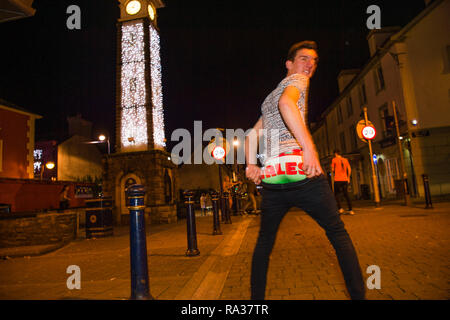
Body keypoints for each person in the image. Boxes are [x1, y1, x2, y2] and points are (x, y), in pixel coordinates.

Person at [245, 41, 365, 300]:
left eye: (313, 61)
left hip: (273, 179)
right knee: (337, 233)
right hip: (301, 172)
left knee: (264, 244)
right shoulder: (298, 81)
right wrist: (308, 147)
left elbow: (250, 136)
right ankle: (359, 296)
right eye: (303, 58)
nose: (309, 65)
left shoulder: (269, 97)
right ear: (289, 64)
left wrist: (251, 164)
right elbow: (287, 106)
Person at [332, 149, 354, 215]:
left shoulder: (334, 160)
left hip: (337, 179)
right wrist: (348, 177)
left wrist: (334, 170)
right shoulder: (345, 160)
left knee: (336, 195)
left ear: (335, 153)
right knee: (346, 195)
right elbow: (349, 169)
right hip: (345, 179)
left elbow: (333, 170)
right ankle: (351, 210)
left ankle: (340, 209)